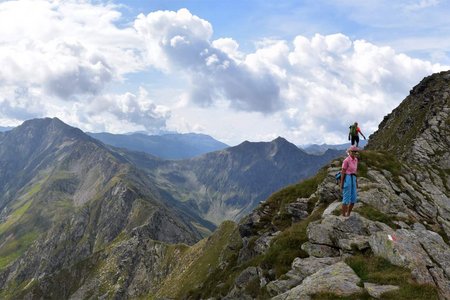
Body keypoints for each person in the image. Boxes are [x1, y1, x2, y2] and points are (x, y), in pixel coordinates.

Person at [340, 145, 359, 217]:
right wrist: (341, 184)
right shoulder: (346, 160)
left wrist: (356, 182)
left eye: (355, 151)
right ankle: (343, 215)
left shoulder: (356, 160)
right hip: (347, 178)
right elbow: (343, 172)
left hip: (353, 178)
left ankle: (348, 214)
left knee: (353, 199)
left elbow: (355, 171)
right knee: (346, 199)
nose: (354, 152)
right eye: (352, 151)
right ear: (349, 152)